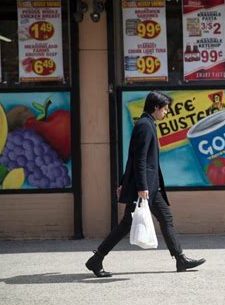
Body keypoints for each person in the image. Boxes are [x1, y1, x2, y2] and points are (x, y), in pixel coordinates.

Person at [85, 91, 206, 277]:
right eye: (165, 109)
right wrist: (140, 187)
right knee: (126, 224)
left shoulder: (147, 124)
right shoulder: (144, 126)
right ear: (156, 107)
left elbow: (133, 158)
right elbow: (139, 160)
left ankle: (180, 259)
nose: (166, 113)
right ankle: (97, 259)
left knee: (166, 218)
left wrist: (126, 183)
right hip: (144, 188)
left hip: (151, 186)